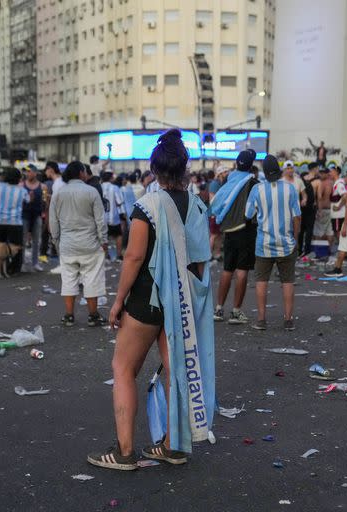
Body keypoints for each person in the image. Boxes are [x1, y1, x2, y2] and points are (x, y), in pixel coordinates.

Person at [88, 129, 214, 471]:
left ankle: (125, 452)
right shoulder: (198, 204)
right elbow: (202, 260)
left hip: (148, 298)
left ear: (154, 170)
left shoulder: (148, 205)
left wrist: (117, 301)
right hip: (183, 301)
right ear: (185, 168)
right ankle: (173, 446)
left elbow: (133, 257)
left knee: (124, 368)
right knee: (176, 372)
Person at [245, 156, 301, 331]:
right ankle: (288, 320)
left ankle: (261, 320)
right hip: (287, 243)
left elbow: (247, 214)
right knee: (288, 281)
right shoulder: (290, 188)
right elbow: (297, 216)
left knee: (261, 281)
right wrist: (295, 237)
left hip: (264, 244)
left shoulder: (257, 189)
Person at [49, 161, 108, 327]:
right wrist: (103, 240)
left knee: (68, 279)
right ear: (82, 173)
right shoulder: (91, 192)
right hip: (90, 244)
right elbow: (100, 220)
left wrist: (56, 241)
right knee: (92, 278)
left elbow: (53, 222)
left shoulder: (58, 194)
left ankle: (68, 315)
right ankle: (93, 315)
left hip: (67, 244)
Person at [209, 149, 258, 325]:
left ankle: (218, 309)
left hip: (229, 230)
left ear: (237, 164)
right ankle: (236, 312)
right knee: (242, 270)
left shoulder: (229, 181)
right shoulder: (252, 183)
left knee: (227, 269)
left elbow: (219, 203)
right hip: (246, 230)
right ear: (251, 166)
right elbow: (256, 208)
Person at [0, 168, 29, 274]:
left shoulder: (0, 187)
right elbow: (28, 200)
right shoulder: (22, 190)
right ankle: (14, 269)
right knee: (16, 247)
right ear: (19, 178)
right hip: (15, 222)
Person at [21, 165, 47, 272]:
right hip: (24, 215)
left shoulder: (42, 187)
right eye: (26, 172)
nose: (27, 174)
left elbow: (45, 201)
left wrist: (45, 212)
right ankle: (22, 263)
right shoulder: (21, 185)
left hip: (37, 215)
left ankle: (35, 263)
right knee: (22, 240)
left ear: (36, 173)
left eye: (29, 172)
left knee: (37, 240)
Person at [101, 171, 125, 261]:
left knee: (104, 237)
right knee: (118, 235)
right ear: (111, 178)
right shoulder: (114, 188)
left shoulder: (100, 187)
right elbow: (119, 201)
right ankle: (119, 256)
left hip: (102, 218)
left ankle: (106, 256)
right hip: (113, 217)